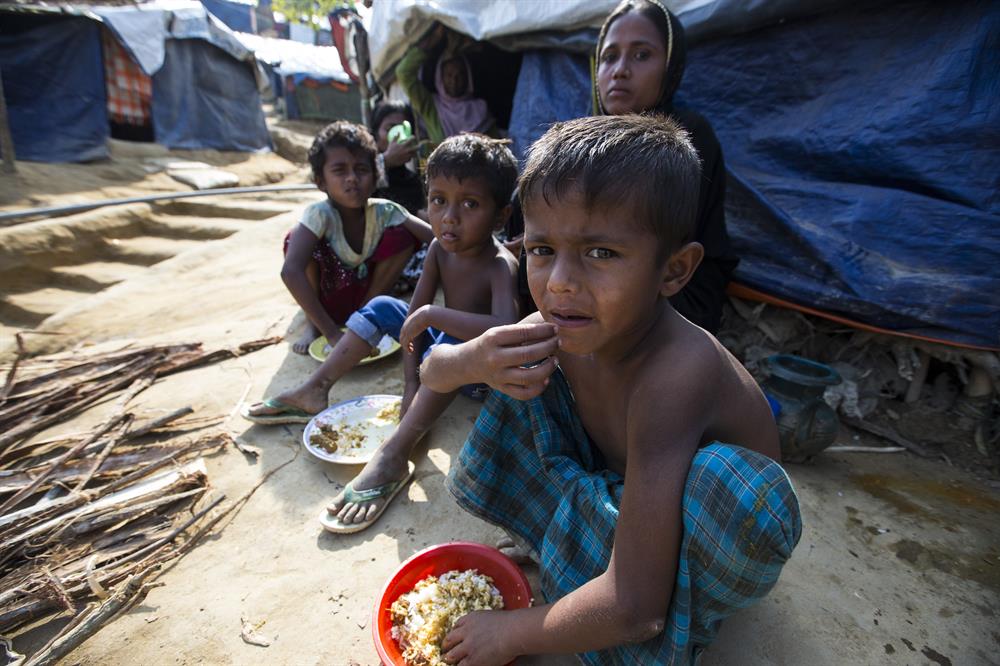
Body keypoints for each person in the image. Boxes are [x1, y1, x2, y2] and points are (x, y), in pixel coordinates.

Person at [418, 115, 801, 664]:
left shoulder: (676, 373)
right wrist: (474, 359)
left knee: (722, 487)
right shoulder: (565, 322)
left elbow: (635, 607)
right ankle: (576, 547)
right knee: (515, 366)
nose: (559, 283)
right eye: (542, 249)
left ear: (674, 270)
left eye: (601, 253)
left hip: (716, 533)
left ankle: (687, 610)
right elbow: (435, 371)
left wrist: (513, 632)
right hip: (634, 485)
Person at [247, 133, 521, 534]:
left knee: (447, 348)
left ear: (500, 216)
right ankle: (315, 388)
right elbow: (411, 320)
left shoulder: (500, 264)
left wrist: (434, 316)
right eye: (438, 200)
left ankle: (396, 454)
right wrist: (411, 379)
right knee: (383, 309)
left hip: (475, 375)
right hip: (435, 357)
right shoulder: (437, 251)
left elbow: (503, 329)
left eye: (470, 204)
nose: (449, 217)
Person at [505, 0, 738, 333]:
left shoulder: (686, 140)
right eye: (609, 57)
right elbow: (521, 203)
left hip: (665, 294)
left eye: (642, 55)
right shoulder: (582, 138)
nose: (620, 70)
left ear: (671, 66)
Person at [279, 121, 434, 355]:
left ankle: (365, 316)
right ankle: (313, 325)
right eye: (340, 170)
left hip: (361, 297)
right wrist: (332, 334)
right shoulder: (319, 214)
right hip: (325, 304)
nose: (352, 178)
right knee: (296, 241)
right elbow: (290, 271)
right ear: (320, 181)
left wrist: (492, 247)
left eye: (361, 169)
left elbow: (437, 240)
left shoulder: (385, 210)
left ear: (376, 176)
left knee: (403, 236)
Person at [396, 24, 496, 147]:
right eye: (448, 75)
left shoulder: (480, 110)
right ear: (440, 78)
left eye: (460, 74)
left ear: (468, 77)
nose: (454, 80)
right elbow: (403, 72)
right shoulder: (431, 107)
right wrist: (431, 42)